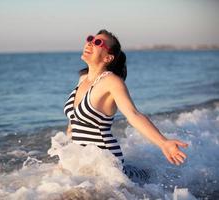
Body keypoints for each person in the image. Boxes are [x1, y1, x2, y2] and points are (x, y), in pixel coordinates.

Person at [63, 29, 188, 180]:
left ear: (108, 58)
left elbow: (133, 115)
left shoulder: (111, 82)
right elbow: (74, 119)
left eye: (97, 42)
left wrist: (164, 143)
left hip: (104, 164)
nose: (90, 43)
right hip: (81, 162)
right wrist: (67, 150)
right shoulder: (83, 79)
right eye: (90, 39)